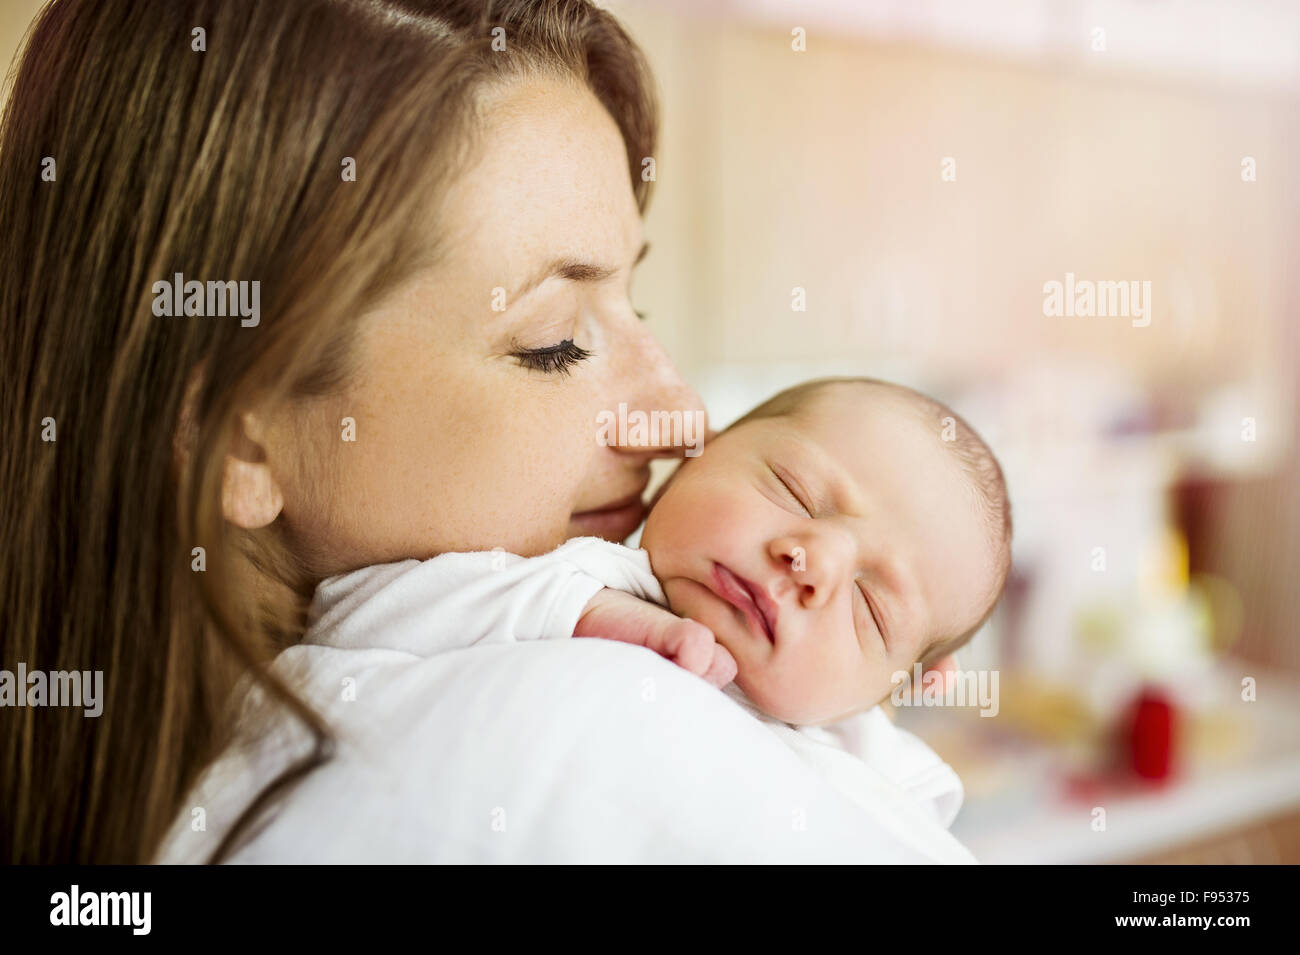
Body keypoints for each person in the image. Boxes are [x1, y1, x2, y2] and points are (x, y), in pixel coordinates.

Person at [1, 0, 977, 864]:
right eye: (554, 344)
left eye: (636, 299)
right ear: (239, 438)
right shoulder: (604, 720)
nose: (681, 420)